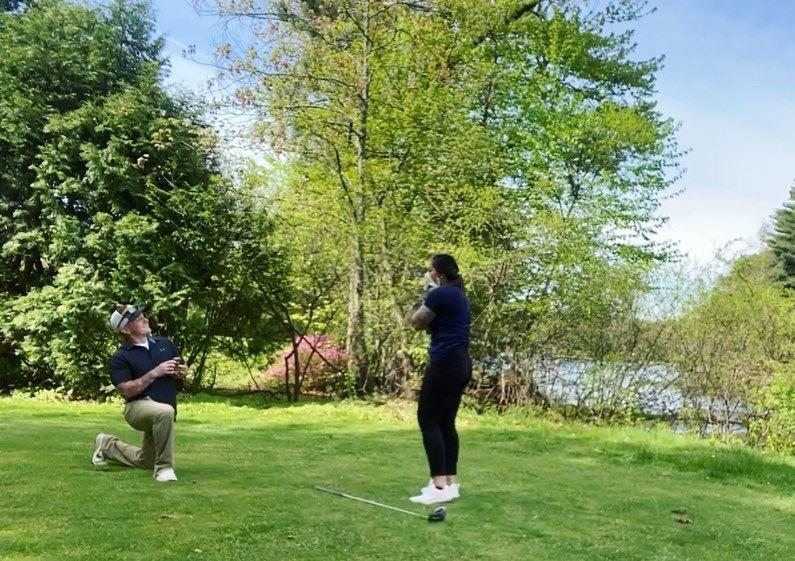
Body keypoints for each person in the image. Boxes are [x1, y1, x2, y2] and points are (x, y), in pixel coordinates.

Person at [90, 304, 187, 482]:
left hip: (164, 409)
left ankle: (107, 445)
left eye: (143, 316)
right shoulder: (121, 357)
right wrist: (154, 373)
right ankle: (164, 469)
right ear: (125, 329)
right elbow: (126, 391)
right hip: (137, 407)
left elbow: (181, 370)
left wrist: (180, 372)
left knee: (147, 461)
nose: (145, 319)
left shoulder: (165, 344)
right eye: (137, 318)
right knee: (165, 411)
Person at [407, 254, 472, 505]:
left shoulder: (441, 294)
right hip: (461, 363)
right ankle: (450, 484)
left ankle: (438, 486)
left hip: (445, 362)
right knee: (445, 422)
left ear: (439, 274)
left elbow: (416, 322)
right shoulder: (459, 295)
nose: (428, 273)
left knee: (428, 419)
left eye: (430, 270)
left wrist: (429, 292)